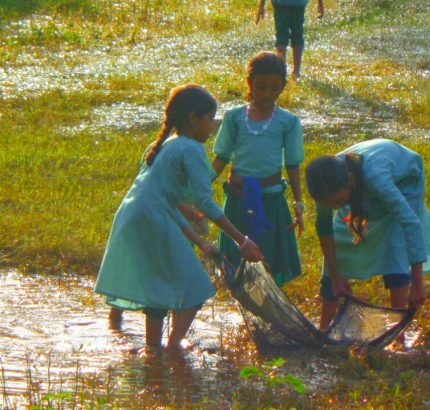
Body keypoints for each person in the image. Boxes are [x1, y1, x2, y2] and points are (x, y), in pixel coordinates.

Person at [95, 84, 262, 350]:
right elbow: (205, 202)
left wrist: (200, 241)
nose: (211, 126)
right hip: (153, 220)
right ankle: (173, 348)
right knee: (197, 287)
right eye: (209, 119)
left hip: (132, 215)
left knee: (160, 284)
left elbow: (167, 200)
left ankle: (154, 351)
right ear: (193, 119)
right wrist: (242, 240)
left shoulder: (163, 144)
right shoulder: (191, 149)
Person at [305, 139, 430, 331]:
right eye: (330, 204)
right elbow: (324, 227)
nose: (335, 207)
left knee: (395, 246)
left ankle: (396, 333)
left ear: (350, 180)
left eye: (339, 201)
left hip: (405, 180)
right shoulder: (324, 183)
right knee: (341, 237)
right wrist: (335, 275)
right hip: (364, 184)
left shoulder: (376, 179)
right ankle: (325, 329)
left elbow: (410, 222)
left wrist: (417, 283)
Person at [212, 51, 304, 286]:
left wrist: (298, 204)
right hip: (238, 198)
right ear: (249, 84)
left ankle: (269, 307)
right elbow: (221, 157)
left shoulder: (288, 122)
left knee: (270, 259)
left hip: (270, 200)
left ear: (282, 88)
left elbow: (292, 164)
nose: (267, 94)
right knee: (237, 259)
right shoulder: (234, 118)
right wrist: (199, 190)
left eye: (274, 88)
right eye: (261, 87)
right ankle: (246, 307)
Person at [256, 0, 324, 79]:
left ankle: (281, 70)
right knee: (298, 35)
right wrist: (320, 5)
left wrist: (261, 6)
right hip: (299, 3)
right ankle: (296, 71)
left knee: (281, 35)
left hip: (281, 3)